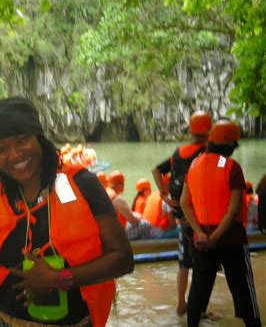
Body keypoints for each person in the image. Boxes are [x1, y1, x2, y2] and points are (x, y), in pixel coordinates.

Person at [0, 97, 134, 327]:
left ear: (39, 137)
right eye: (2, 148)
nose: (15, 155)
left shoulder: (82, 184)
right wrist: (2, 284)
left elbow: (123, 259)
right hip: (7, 322)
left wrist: (58, 279)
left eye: (22, 140)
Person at [180, 119, 262, 327]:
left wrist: (200, 233)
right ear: (229, 145)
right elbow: (233, 209)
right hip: (230, 238)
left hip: (202, 239)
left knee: (199, 289)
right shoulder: (231, 167)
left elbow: (184, 203)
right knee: (243, 289)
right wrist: (215, 238)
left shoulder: (195, 164)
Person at [151, 110, 212, 315]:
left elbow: (155, 170)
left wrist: (163, 194)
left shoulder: (178, 152)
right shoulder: (209, 152)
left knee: (184, 264)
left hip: (179, 215)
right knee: (203, 266)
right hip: (198, 218)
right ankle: (200, 309)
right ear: (209, 129)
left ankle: (181, 304)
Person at [105, 170, 151, 240]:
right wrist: (139, 217)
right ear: (119, 184)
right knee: (146, 224)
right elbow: (134, 221)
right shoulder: (117, 199)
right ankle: (137, 248)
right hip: (116, 235)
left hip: (107, 231)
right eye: (123, 183)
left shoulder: (106, 191)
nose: (124, 186)